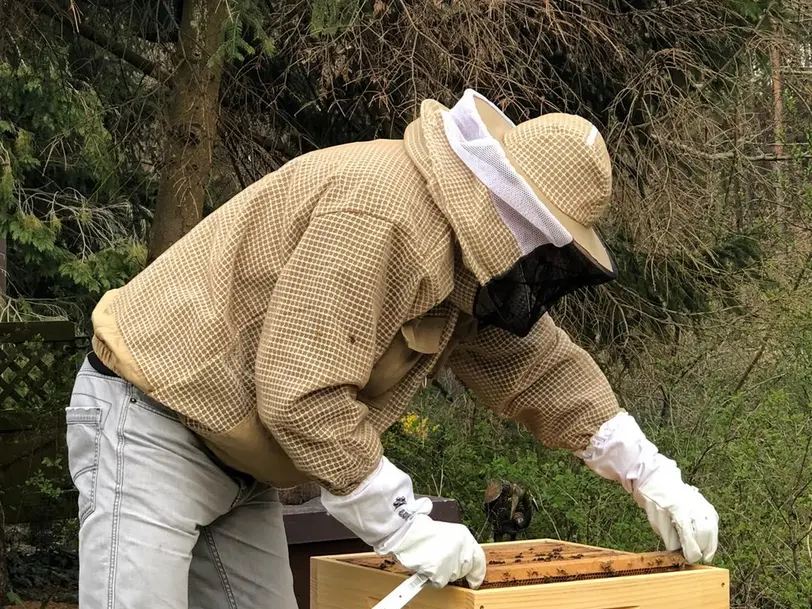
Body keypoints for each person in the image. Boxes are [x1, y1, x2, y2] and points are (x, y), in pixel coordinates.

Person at [66, 89, 718, 609]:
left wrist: (650, 472)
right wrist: (403, 521)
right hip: (153, 424)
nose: (539, 260)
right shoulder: (383, 215)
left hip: (244, 466)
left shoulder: (465, 259)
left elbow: (537, 364)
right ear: (516, 208)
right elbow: (301, 392)